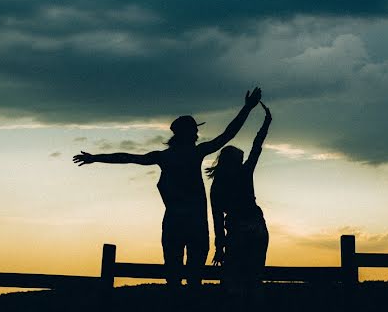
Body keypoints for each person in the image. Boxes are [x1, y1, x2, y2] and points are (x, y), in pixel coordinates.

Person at [73, 88, 262, 287]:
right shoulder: (194, 153)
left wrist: (95, 158)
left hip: (174, 223)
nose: (198, 133)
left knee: (174, 277)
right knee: (193, 279)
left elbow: (127, 158)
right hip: (195, 225)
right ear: (187, 133)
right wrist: (248, 108)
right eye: (194, 130)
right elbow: (228, 134)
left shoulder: (164, 157)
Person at [207, 101, 272, 292]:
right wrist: (266, 123)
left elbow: (217, 220)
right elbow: (257, 146)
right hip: (256, 225)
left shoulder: (217, 186)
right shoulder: (244, 172)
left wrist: (219, 247)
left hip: (237, 229)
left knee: (233, 278)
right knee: (254, 276)